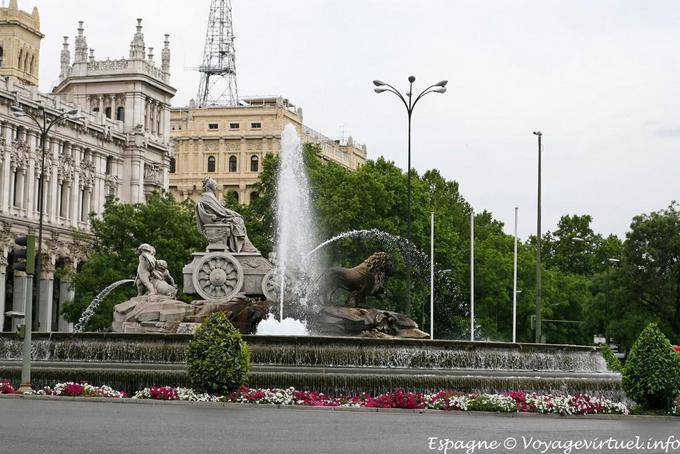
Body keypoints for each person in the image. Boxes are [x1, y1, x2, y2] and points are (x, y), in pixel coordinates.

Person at [195, 177, 258, 253]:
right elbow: (221, 211)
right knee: (238, 221)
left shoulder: (208, 197)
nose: (216, 186)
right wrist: (234, 214)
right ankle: (245, 246)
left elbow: (218, 209)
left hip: (216, 219)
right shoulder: (208, 197)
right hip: (217, 220)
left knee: (238, 220)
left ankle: (244, 244)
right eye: (214, 185)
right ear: (209, 186)